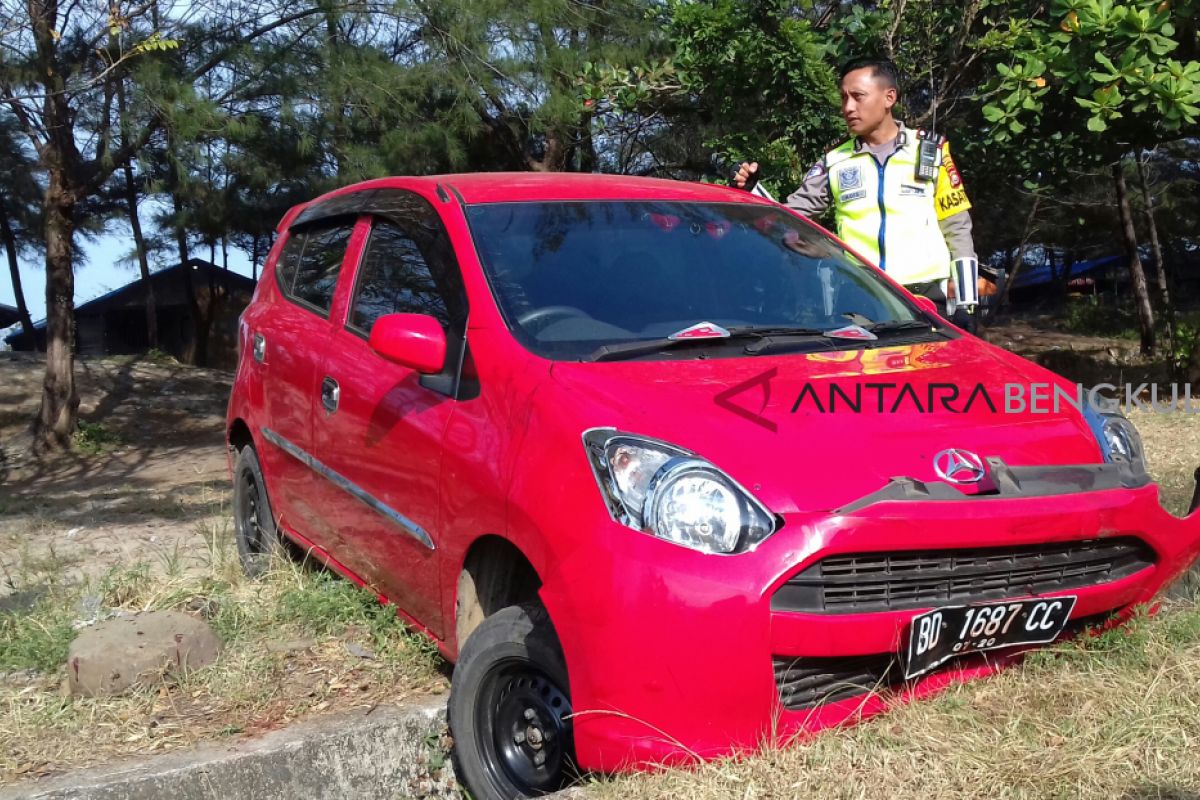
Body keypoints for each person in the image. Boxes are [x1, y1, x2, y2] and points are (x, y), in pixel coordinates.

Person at [734, 56, 981, 332]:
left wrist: (966, 305)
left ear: (889, 97)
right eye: (844, 98)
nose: (848, 107)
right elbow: (789, 217)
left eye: (858, 97)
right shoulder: (834, 160)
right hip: (861, 301)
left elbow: (957, 228)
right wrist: (751, 191)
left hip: (927, 301)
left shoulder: (930, 151)